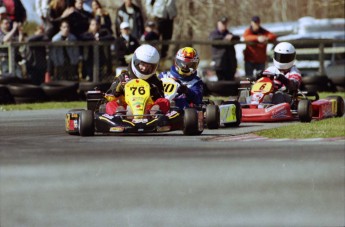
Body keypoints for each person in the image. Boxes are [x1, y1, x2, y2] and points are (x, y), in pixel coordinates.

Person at [105, 44, 170, 116]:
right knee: (110, 104)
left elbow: (161, 99)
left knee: (165, 102)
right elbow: (108, 97)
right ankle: (119, 118)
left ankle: (156, 117)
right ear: (136, 61)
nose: (145, 69)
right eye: (142, 64)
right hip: (126, 111)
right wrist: (117, 91)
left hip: (148, 111)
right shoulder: (122, 77)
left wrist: (154, 91)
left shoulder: (155, 81)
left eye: (148, 66)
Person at [209, 16, 240, 81]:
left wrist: (231, 37)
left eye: (225, 23)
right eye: (222, 23)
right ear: (218, 24)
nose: (224, 25)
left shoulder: (229, 34)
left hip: (230, 65)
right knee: (221, 83)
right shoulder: (214, 34)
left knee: (230, 83)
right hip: (219, 64)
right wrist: (225, 39)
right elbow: (213, 39)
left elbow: (238, 38)